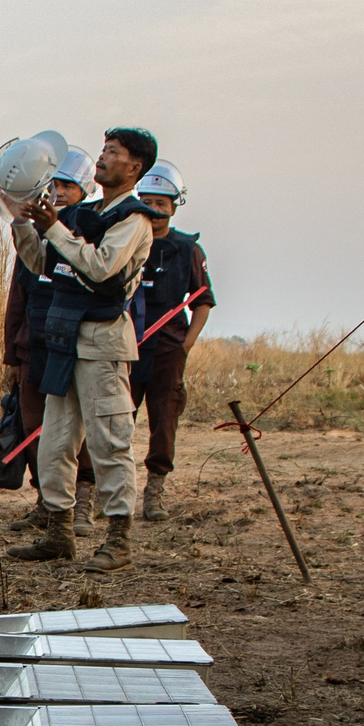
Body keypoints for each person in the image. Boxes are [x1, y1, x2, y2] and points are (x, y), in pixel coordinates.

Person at [6, 127, 163, 571]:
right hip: (65, 339)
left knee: (109, 441)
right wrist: (23, 222)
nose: (102, 158)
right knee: (55, 441)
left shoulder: (134, 220)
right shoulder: (81, 214)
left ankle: (118, 539)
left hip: (102, 342)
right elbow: (43, 263)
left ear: (134, 167)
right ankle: (59, 532)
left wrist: (53, 227)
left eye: (112, 152)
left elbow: (100, 267)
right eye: (103, 150)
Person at [2, 147, 100, 534]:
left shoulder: (90, 235)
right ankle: (46, 502)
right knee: (34, 427)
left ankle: (82, 505)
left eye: (67, 186)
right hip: (34, 348)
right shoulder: (33, 236)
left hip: (74, 347)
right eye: (53, 185)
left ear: (84, 191)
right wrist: (12, 356)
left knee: (78, 431)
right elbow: (18, 300)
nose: (57, 193)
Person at [129, 161, 215, 521]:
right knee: (114, 420)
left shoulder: (187, 249)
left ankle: (154, 494)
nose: (153, 209)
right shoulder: (125, 240)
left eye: (161, 203)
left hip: (167, 350)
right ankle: (102, 493)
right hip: (126, 347)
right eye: (147, 202)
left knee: (164, 421)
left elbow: (202, 301)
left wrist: (185, 344)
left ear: (174, 206)